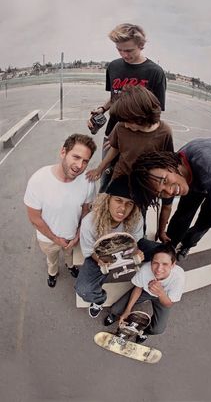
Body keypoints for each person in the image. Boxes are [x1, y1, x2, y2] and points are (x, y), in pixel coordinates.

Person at [129, 138, 211, 286]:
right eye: (161, 193)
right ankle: (170, 247)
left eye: (165, 181)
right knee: (182, 216)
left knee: (205, 222)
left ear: (170, 165)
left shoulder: (208, 167)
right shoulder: (178, 170)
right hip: (195, 179)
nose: (170, 191)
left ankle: (187, 244)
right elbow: (167, 202)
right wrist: (162, 232)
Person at [87, 23, 166, 191]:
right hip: (111, 136)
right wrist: (101, 109)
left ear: (141, 45)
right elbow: (114, 96)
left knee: (133, 184)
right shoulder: (114, 66)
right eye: (119, 50)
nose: (124, 55)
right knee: (107, 180)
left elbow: (156, 113)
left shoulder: (155, 73)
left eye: (129, 50)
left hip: (138, 140)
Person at [75, 175, 158, 318]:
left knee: (163, 252)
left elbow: (136, 241)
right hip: (101, 255)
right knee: (83, 289)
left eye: (129, 203)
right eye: (118, 200)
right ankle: (98, 300)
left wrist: (136, 253)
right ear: (108, 200)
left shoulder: (136, 217)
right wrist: (101, 261)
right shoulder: (90, 222)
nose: (123, 208)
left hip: (126, 249)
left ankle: (151, 279)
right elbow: (89, 251)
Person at [24, 133, 97, 288]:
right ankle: (52, 273)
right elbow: (34, 218)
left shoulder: (87, 182)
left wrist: (78, 234)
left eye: (85, 161)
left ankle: (70, 267)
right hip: (48, 239)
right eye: (76, 157)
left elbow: (86, 210)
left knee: (69, 256)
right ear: (63, 152)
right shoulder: (38, 180)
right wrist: (56, 239)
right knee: (52, 259)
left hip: (72, 237)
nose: (79, 166)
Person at [86, 85, 173, 184]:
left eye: (128, 122)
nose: (126, 126)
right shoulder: (121, 126)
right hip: (120, 177)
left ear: (141, 116)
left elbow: (168, 161)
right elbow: (115, 148)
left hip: (145, 182)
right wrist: (99, 169)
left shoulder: (165, 132)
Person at [103, 243, 185, 344]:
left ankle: (145, 331)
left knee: (158, 329)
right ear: (151, 262)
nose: (159, 269)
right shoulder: (145, 269)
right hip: (145, 291)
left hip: (163, 297)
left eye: (165, 264)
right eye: (155, 263)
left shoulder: (178, 277)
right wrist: (128, 310)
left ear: (173, 265)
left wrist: (160, 293)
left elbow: (169, 304)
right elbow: (138, 288)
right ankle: (115, 316)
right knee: (116, 309)